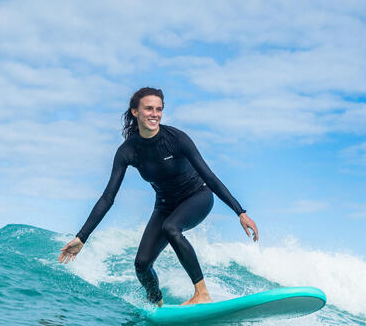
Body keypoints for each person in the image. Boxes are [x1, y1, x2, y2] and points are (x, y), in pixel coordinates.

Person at [58, 87, 258, 306]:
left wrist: (240, 212)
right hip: (165, 206)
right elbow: (108, 197)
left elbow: (209, 176)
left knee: (171, 227)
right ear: (135, 112)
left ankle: (202, 293)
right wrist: (82, 237)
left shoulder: (176, 138)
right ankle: (158, 305)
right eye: (149, 109)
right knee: (142, 265)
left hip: (197, 196)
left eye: (159, 109)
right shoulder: (128, 151)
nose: (155, 114)